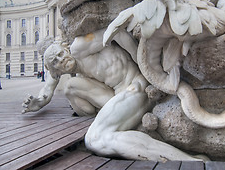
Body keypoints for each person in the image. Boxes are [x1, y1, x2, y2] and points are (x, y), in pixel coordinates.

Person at [22, 28, 205, 162]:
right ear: (55, 69)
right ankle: (190, 159)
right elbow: (46, 92)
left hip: (136, 86)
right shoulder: (60, 69)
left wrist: (145, 67)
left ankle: (189, 161)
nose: (62, 60)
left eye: (61, 54)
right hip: (118, 93)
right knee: (71, 86)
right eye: (56, 62)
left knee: (96, 139)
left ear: (65, 48)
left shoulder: (79, 47)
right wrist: (37, 103)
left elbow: (118, 33)